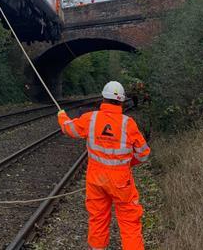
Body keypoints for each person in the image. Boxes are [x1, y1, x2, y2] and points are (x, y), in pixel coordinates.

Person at [58, 81, 150, 250]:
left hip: (96, 180)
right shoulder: (128, 124)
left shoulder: (90, 119)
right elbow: (144, 154)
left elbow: (68, 129)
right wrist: (128, 163)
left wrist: (62, 115)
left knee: (98, 219)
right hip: (121, 182)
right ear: (121, 101)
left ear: (103, 99)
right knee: (129, 222)